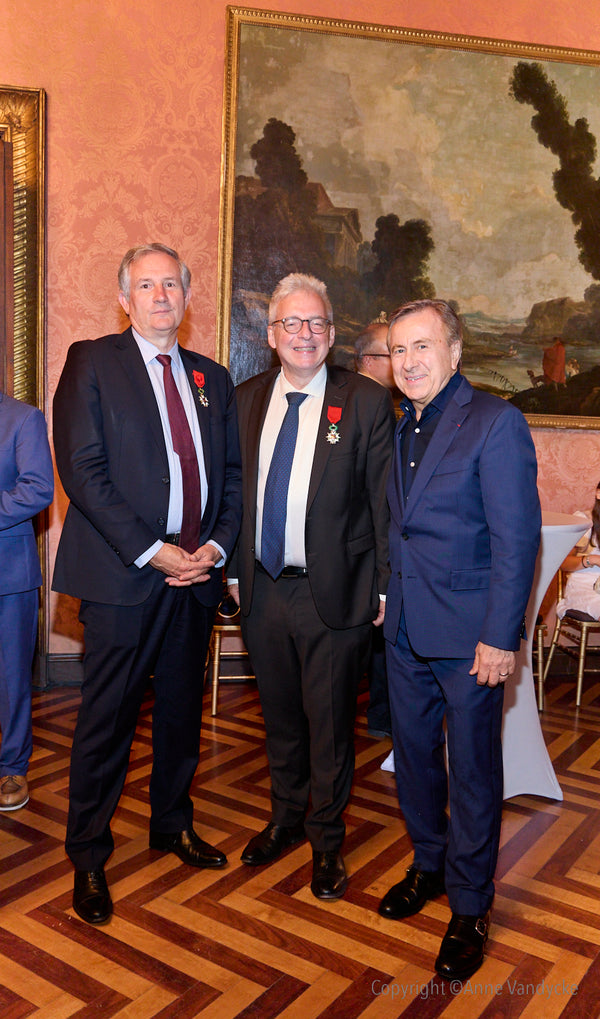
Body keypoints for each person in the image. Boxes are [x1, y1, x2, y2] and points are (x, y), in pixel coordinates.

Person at [52, 243, 242, 925]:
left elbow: (230, 476)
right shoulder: (92, 362)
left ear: (186, 298)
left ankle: (171, 823)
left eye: (171, 284)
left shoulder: (211, 379)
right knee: (107, 721)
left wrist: (215, 547)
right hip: (123, 577)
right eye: (147, 284)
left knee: (183, 714)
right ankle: (89, 854)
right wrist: (154, 551)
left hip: (195, 579)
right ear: (125, 298)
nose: (161, 294)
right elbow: (82, 471)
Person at [380, 299, 540, 981]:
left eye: (422, 347)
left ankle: (471, 905)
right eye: (398, 350)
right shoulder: (402, 426)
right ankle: (428, 865)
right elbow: (403, 525)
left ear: (454, 352)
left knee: (473, 772)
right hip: (406, 630)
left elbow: (516, 540)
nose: (409, 361)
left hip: (472, 638)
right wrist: (389, 595)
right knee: (415, 760)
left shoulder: (496, 422)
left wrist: (502, 638)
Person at [227, 273, 395, 900]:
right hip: (263, 589)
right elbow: (234, 497)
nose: (304, 335)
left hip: (337, 592)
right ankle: (285, 819)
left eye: (316, 324)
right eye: (291, 324)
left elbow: (384, 507)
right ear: (271, 335)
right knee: (280, 719)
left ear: (331, 334)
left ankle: (327, 841)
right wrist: (237, 571)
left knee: (329, 725)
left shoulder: (365, 401)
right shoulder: (245, 400)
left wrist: (382, 588)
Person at [0, 392, 53, 810]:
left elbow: (38, 489)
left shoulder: (23, 418)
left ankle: (12, 767)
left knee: (12, 676)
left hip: (8, 575)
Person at [354, 321, 395, 739]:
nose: (402, 361)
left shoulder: (383, 402)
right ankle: (382, 716)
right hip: (364, 551)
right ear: (369, 360)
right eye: (393, 352)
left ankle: (382, 715)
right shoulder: (365, 402)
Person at [556, 483, 600, 620]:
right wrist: (593, 560)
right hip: (583, 586)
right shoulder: (584, 520)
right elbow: (563, 563)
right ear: (599, 494)